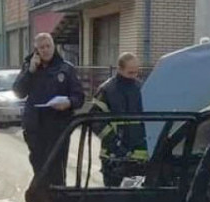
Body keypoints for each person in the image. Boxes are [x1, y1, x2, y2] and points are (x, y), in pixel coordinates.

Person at [14, 33, 85, 187]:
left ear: (54, 47)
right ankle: (41, 199)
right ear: (36, 50)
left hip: (58, 128)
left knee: (57, 172)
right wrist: (30, 71)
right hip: (35, 128)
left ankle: (58, 199)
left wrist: (68, 102)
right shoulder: (29, 68)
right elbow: (19, 92)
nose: (46, 50)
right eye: (42, 47)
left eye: (48, 46)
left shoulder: (66, 69)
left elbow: (79, 97)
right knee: (40, 170)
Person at [90, 53, 148, 187]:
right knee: (113, 195)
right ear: (120, 69)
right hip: (113, 157)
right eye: (130, 73)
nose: (134, 76)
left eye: (136, 72)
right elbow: (96, 120)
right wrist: (115, 143)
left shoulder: (142, 88)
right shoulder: (106, 90)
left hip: (139, 156)